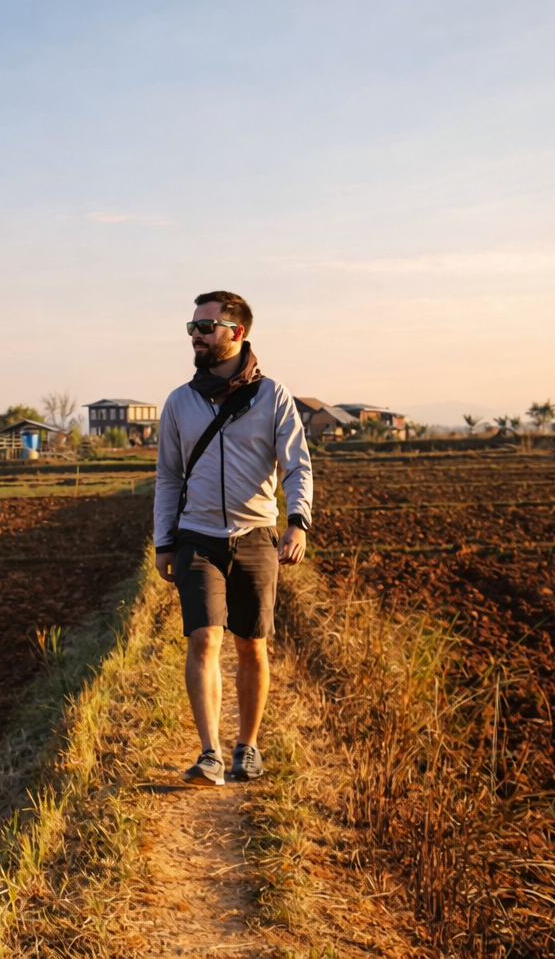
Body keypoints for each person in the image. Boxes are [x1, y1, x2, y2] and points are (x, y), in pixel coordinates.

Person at [153, 291, 313, 786]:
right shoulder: (180, 401)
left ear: (236, 332)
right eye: (192, 328)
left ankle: (248, 746)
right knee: (203, 638)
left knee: (251, 645)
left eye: (205, 327)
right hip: (197, 536)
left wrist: (298, 521)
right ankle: (210, 754)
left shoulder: (273, 397)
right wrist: (163, 541)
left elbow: (297, 464)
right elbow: (168, 476)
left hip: (257, 537)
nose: (195, 336)